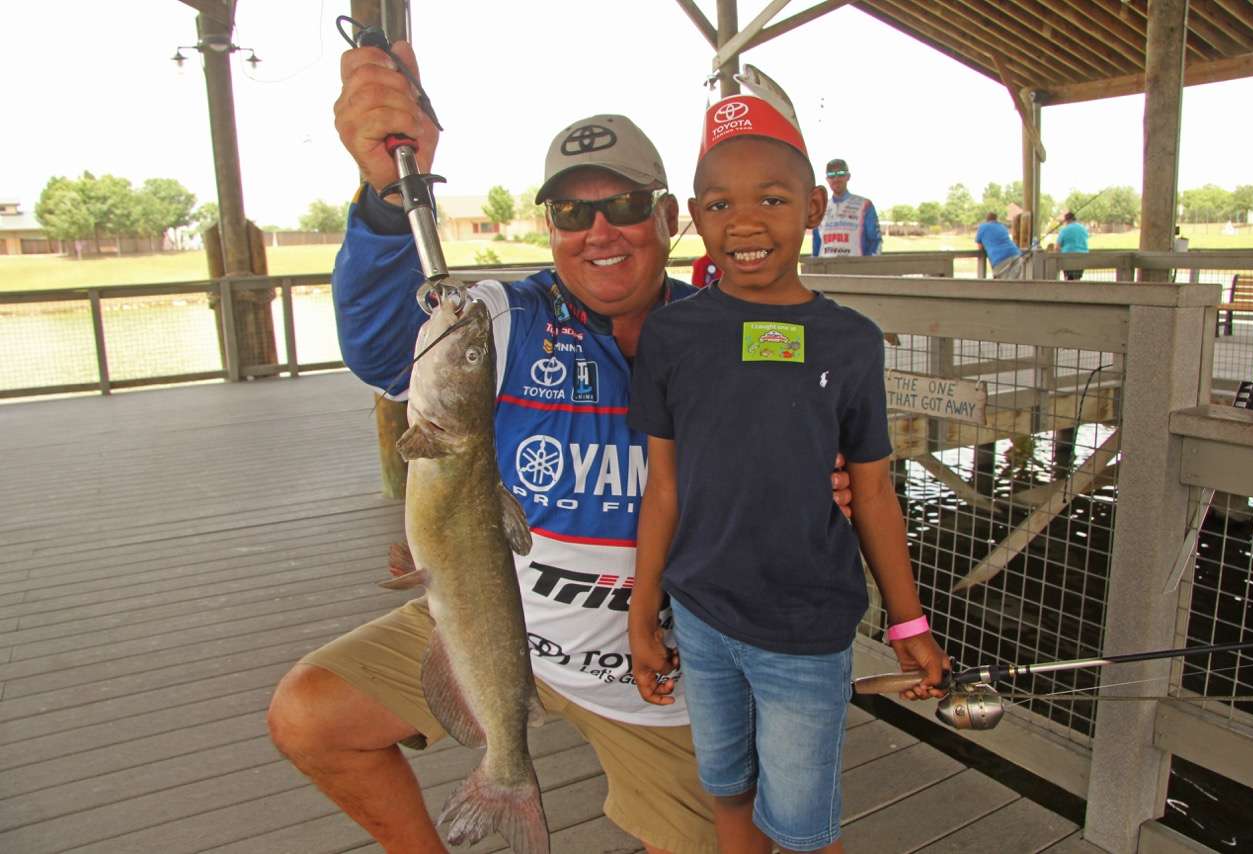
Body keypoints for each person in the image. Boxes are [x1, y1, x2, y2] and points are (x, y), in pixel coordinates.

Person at [266, 38, 858, 854]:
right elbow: (378, 344)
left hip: (664, 683)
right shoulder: (501, 319)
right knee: (309, 713)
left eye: (623, 207)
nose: (598, 232)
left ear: (667, 217)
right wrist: (380, 198)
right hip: (503, 630)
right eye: (572, 213)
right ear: (549, 226)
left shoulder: (734, 338)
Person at [627, 90, 949, 854]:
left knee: (804, 828)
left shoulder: (850, 340)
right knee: (727, 788)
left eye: (771, 198)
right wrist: (645, 611)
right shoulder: (670, 336)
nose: (744, 222)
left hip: (806, 633)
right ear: (693, 219)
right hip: (700, 617)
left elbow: (872, 490)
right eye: (719, 203)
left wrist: (908, 624)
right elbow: (663, 485)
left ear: (812, 208)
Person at [812, 158, 881, 257]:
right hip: (826, 269)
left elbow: (875, 242)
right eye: (831, 175)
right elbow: (816, 245)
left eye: (840, 174)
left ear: (848, 176)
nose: (836, 179)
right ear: (827, 179)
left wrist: (869, 267)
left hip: (855, 269)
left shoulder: (865, 205)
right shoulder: (820, 207)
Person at [975, 212, 1024, 279]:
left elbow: (980, 247)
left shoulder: (982, 227)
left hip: (1000, 260)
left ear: (986, 220)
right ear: (996, 219)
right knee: (1016, 284)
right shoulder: (1002, 226)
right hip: (1016, 255)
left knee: (1002, 285)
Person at [1057, 210, 1089, 280]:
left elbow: (1058, 246)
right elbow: (1086, 238)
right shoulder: (1083, 228)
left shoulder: (1064, 230)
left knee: (1068, 278)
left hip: (1068, 257)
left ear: (1066, 220)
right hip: (1082, 257)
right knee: (1077, 278)